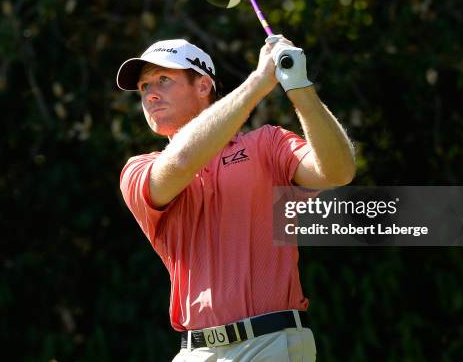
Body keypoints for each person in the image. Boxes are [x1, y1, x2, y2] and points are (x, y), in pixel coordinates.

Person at [117, 35, 356, 361]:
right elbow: (182, 161)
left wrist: (300, 88)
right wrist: (259, 82)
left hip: (269, 341)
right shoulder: (138, 170)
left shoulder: (267, 145)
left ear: (203, 86)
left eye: (163, 79)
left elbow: (337, 171)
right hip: (196, 350)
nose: (151, 94)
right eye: (144, 86)